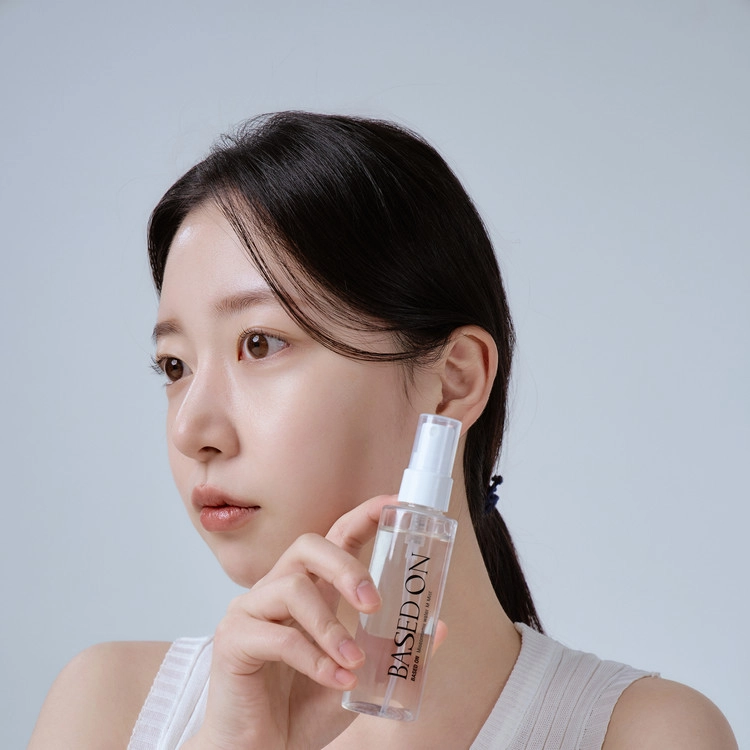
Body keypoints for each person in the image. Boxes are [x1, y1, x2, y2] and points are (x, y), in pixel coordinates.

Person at [29, 111, 737, 749]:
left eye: (260, 344)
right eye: (174, 366)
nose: (191, 429)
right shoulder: (110, 708)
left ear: (453, 380)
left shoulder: (645, 734)